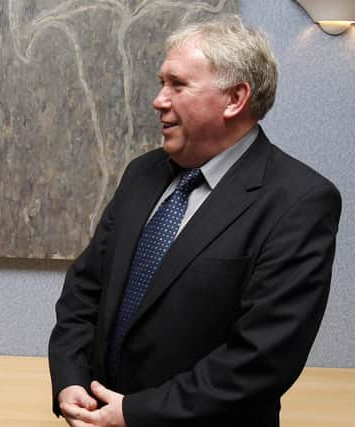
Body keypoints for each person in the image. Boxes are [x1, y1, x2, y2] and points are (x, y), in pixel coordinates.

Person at [48, 15, 341, 427]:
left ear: (235, 98)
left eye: (178, 85)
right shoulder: (141, 174)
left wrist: (134, 413)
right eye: (161, 83)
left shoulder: (299, 201)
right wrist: (70, 379)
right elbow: (84, 291)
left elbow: (260, 358)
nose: (159, 99)